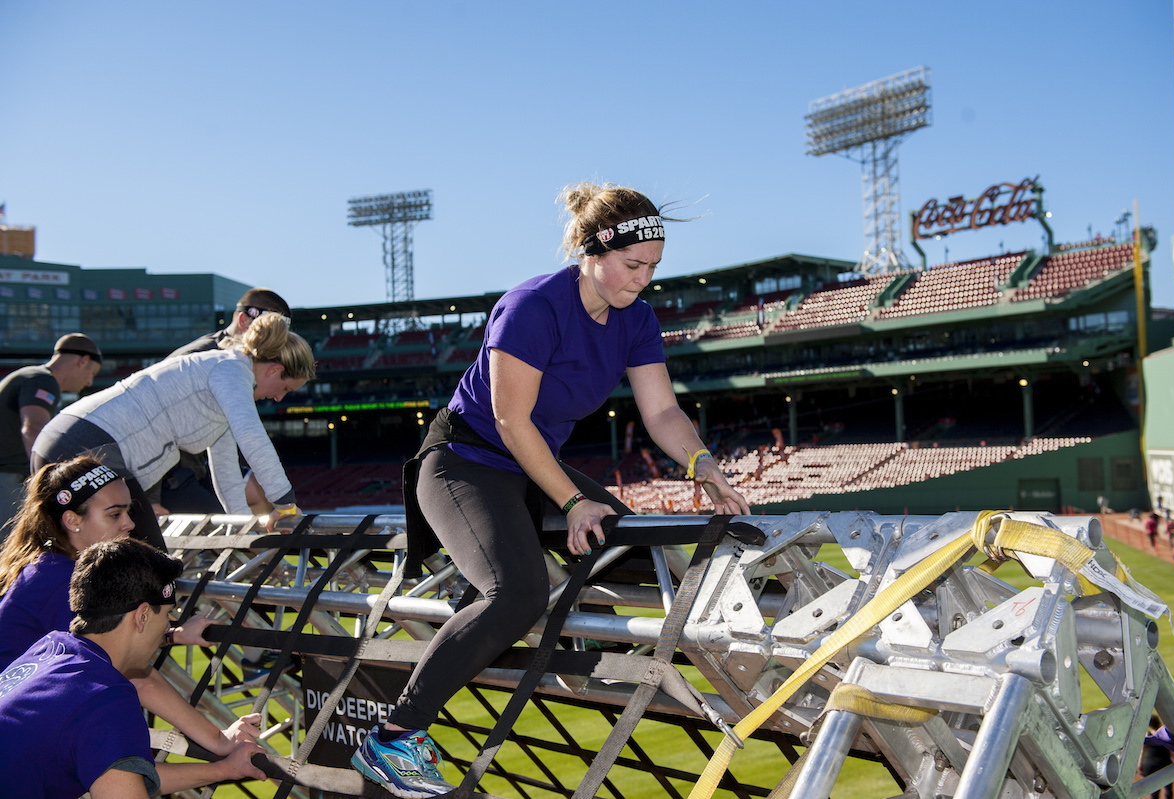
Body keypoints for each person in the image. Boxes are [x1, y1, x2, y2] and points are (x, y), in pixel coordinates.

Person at [351, 181, 751, 797]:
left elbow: (663, 412)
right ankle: (394, 736)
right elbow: (511, 421)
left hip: (531, 468)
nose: (642, 280)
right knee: (517, 592)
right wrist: (570, 500)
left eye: (653, 268)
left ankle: (633, 649)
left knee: (642, 555)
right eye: (632, 265)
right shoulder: (532, 305)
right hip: (465, 462)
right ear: (591, 251)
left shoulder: (637, 318)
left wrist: (703, 463)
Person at [0, 455, 262, 755]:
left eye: (128, 510)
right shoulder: (61, 580)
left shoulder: (52, 568)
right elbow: (136, 676)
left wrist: (172, 634)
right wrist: (220, 740)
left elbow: (103, 642)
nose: (130, 524)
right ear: (72, 520)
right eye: (114, 514)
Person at [0, 538, 266, 798]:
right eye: (167, 615)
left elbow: (119, 777)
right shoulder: (104, 697)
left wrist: (222, 771)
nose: (167, 627)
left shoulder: (51, 648)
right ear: (143, 616)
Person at [31, 312, 314, 551]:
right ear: (275, 370)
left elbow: (227, 475)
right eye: (286, 389)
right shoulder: (231, 370)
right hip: (87, 441)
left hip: (71, 439)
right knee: (147, 553)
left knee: (73, 553)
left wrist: (245, 536)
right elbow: (253, 438)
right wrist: (286, 505)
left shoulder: (223, 377)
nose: (279, 398)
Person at [157, 287, 294, 517]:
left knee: (257, 493)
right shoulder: (202, 358)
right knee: (221, 526)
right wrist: (149, 498)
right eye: (271, 331)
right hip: (167, 474)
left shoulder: (242, 362)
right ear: (243, 320)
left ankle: (244, 551)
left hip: (200, 467)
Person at [0, 332, 102, 537]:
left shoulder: (30, 376)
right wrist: (49, 479)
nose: (90, 382)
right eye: (92, 373)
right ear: (83, 361)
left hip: (7, 477)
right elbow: (33, 429)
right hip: (8, 479)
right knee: (9, 547)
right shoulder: (43, 380)